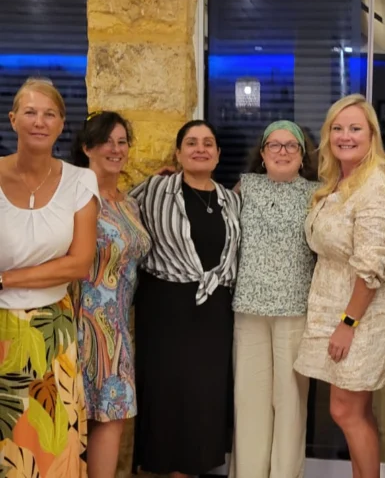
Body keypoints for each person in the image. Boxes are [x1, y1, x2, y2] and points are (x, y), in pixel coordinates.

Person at [293, 94, 385, 478]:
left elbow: (372, 265)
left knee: (345, 410)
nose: (345, 136)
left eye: (355, 128)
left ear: (372, 135)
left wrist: (348, 323)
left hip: (362, 313)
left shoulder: (375, 186)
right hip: (332, 303)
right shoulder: (336, 183)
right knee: (354, 410)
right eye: (337, 128)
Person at [0, 77, 100, 476]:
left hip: (51, 329)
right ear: (13, 120)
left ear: (61, 125)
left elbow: (79, 263)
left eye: (50, 114)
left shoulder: (80, 181)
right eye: (30, 112)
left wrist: (6, 279)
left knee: (51, 442)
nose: (39, 121)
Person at [130, 120, 241, 477]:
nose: (200, 148)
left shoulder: (232, 200)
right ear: (177, 153)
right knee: (164, 399)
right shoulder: (153, 191)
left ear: (219, 154)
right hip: (164, 310)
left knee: (204, 400)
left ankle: (190, 471)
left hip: (214, 315)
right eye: (191, 142)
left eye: (208, 143)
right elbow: (116, 219)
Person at [230, 120, 318, 478]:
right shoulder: (244, 187)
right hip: (248, 308)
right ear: (263, 155)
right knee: (249, 402)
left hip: (295, 309)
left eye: (291, 146)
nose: (282, 152)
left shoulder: (317, 193)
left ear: (301, 156)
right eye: (274, 146)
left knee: (291, 405)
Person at [71, 111, 151, 478]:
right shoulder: (72, 196)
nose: (115, 149)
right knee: (72, 427)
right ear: (87, 147)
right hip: (79, 324)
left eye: (122, 142)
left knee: (112, 418)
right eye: (106, 141)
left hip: (117, 331)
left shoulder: (129, 202)